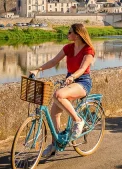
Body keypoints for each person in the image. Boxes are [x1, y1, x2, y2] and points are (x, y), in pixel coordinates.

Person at [29, 23, 95, 158]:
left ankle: (78, 120)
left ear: (77, 35)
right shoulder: (68, 48)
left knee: (58, 95)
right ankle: (55, 144)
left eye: (70, 32)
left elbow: (82, 69)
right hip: (69, 81)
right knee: (54, 113)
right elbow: (53, 62)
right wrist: (38, 70)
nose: (67, 34)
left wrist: (72, 76)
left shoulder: (88, 50)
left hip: (82, 82)